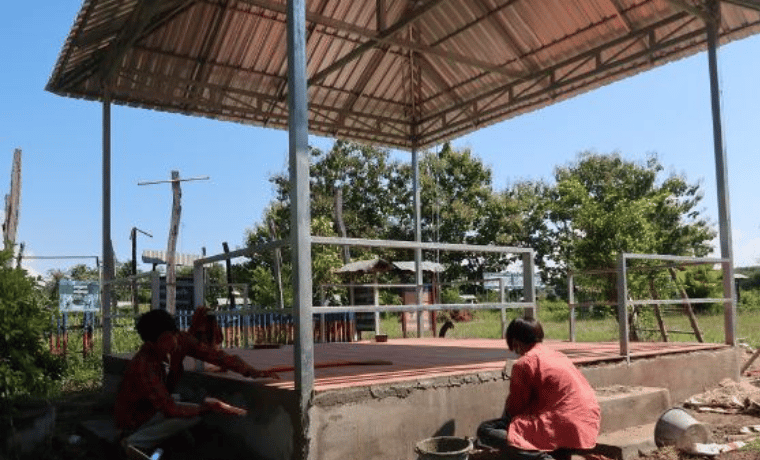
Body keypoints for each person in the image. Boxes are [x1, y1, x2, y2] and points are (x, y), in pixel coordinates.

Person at [114, 309, 279, 459]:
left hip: (157, 403)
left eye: (170, 336)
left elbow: (216, 356)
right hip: (136, 417)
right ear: (150, 344)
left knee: (186, 406)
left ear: (175, 332)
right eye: (162, 340)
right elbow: (169, 408)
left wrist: (250, 371)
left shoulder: (183, 340)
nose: (169, 344)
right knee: (191, 415)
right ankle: (134, 441)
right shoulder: (144, 365)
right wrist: (209, 408)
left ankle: (164, 438)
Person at [477, 317, 600, 460]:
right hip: (587, 421)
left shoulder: (524, 363)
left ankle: (541, 458)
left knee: (486, 430)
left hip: (562, 422)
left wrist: (508, 424)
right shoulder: (557, 355)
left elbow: (516, 407)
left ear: (515, 341)